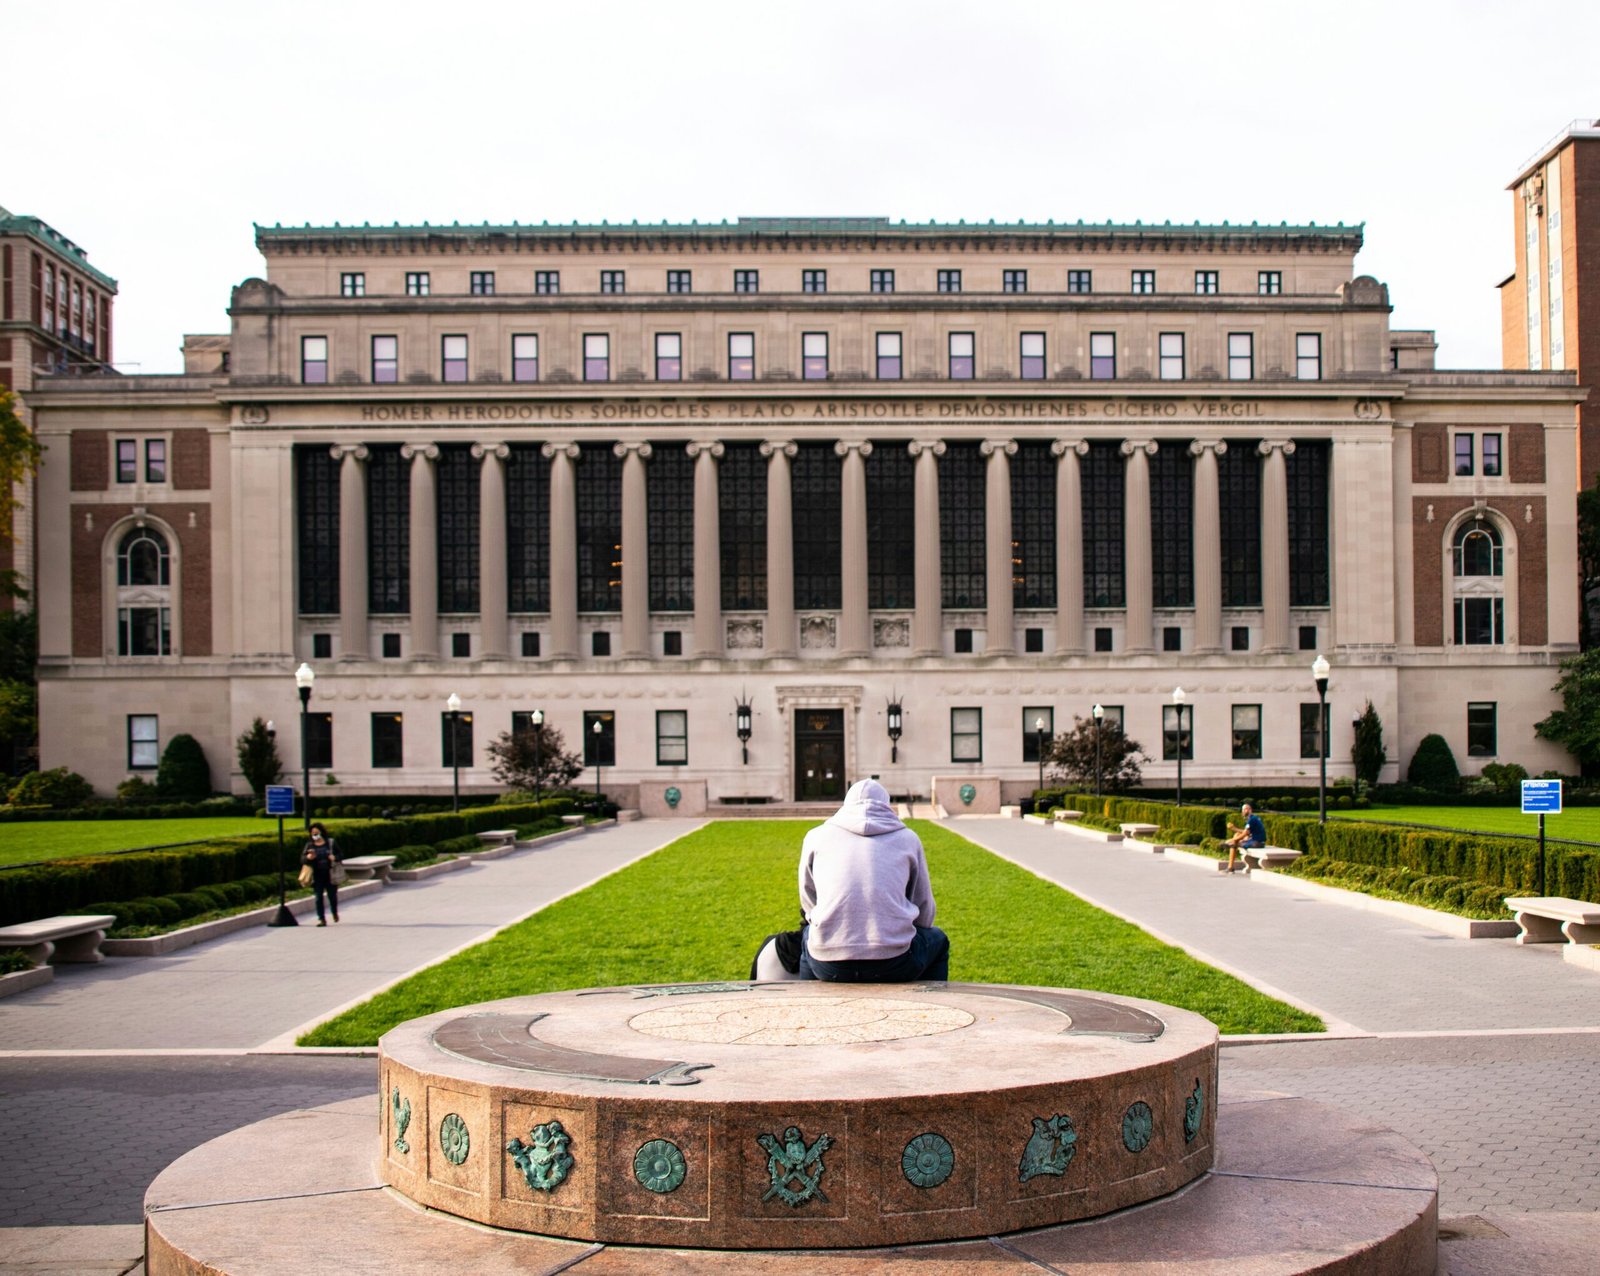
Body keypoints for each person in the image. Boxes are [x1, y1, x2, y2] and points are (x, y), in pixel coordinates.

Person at [797, 778, 949, 982]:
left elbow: (808, 899)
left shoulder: (816, 836)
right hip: (895, 961)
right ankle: (935, 1005)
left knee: (810, 937)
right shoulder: (908, 838)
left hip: (828, 962)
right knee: (938, 940)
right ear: (887, 806)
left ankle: (807, 1003)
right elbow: (923, 906)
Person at [302, 822, 343, 925]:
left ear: (322, 832)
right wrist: (308, 858)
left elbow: (340, 854)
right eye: (313, 833)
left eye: (317, 833)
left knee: (332, 896)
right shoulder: (309, 845)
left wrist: (335, 858)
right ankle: (321, 919)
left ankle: (334, 912)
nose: (315, 835)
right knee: (318, 898)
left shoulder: (330, 843)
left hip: (330, 874)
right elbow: (302, 859)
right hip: (317, 875)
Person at [1220, 802, 1266, 874]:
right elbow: (1246, 832)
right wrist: (1233, 828)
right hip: (1256, 841)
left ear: (1250, 810)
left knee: (1234, 843)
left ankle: (1230, 868)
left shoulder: (1251, 819)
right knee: (1237, 835)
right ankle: (1230, 867)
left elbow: (1245, 833)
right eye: (1244, 809)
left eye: (1247, 809)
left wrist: (1231, 840)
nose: (1245, 811)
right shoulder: (1253, 818)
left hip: (1257, 843)